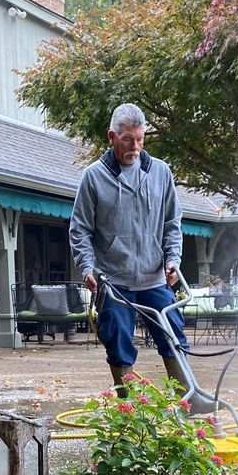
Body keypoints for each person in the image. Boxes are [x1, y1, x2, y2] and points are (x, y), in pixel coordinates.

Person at [69, 103, 191, 394]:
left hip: (154, 276)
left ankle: (187, 399)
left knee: (173, 333)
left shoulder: (160, 172)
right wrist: (87, 267)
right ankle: (128, 410)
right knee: (118, 339)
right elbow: (80, 229)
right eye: (127, 139)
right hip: (114, 281)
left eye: (140, 139)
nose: (135, 146)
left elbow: (172, 223)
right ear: (112, 137)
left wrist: (173, 259)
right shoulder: (94, 177)